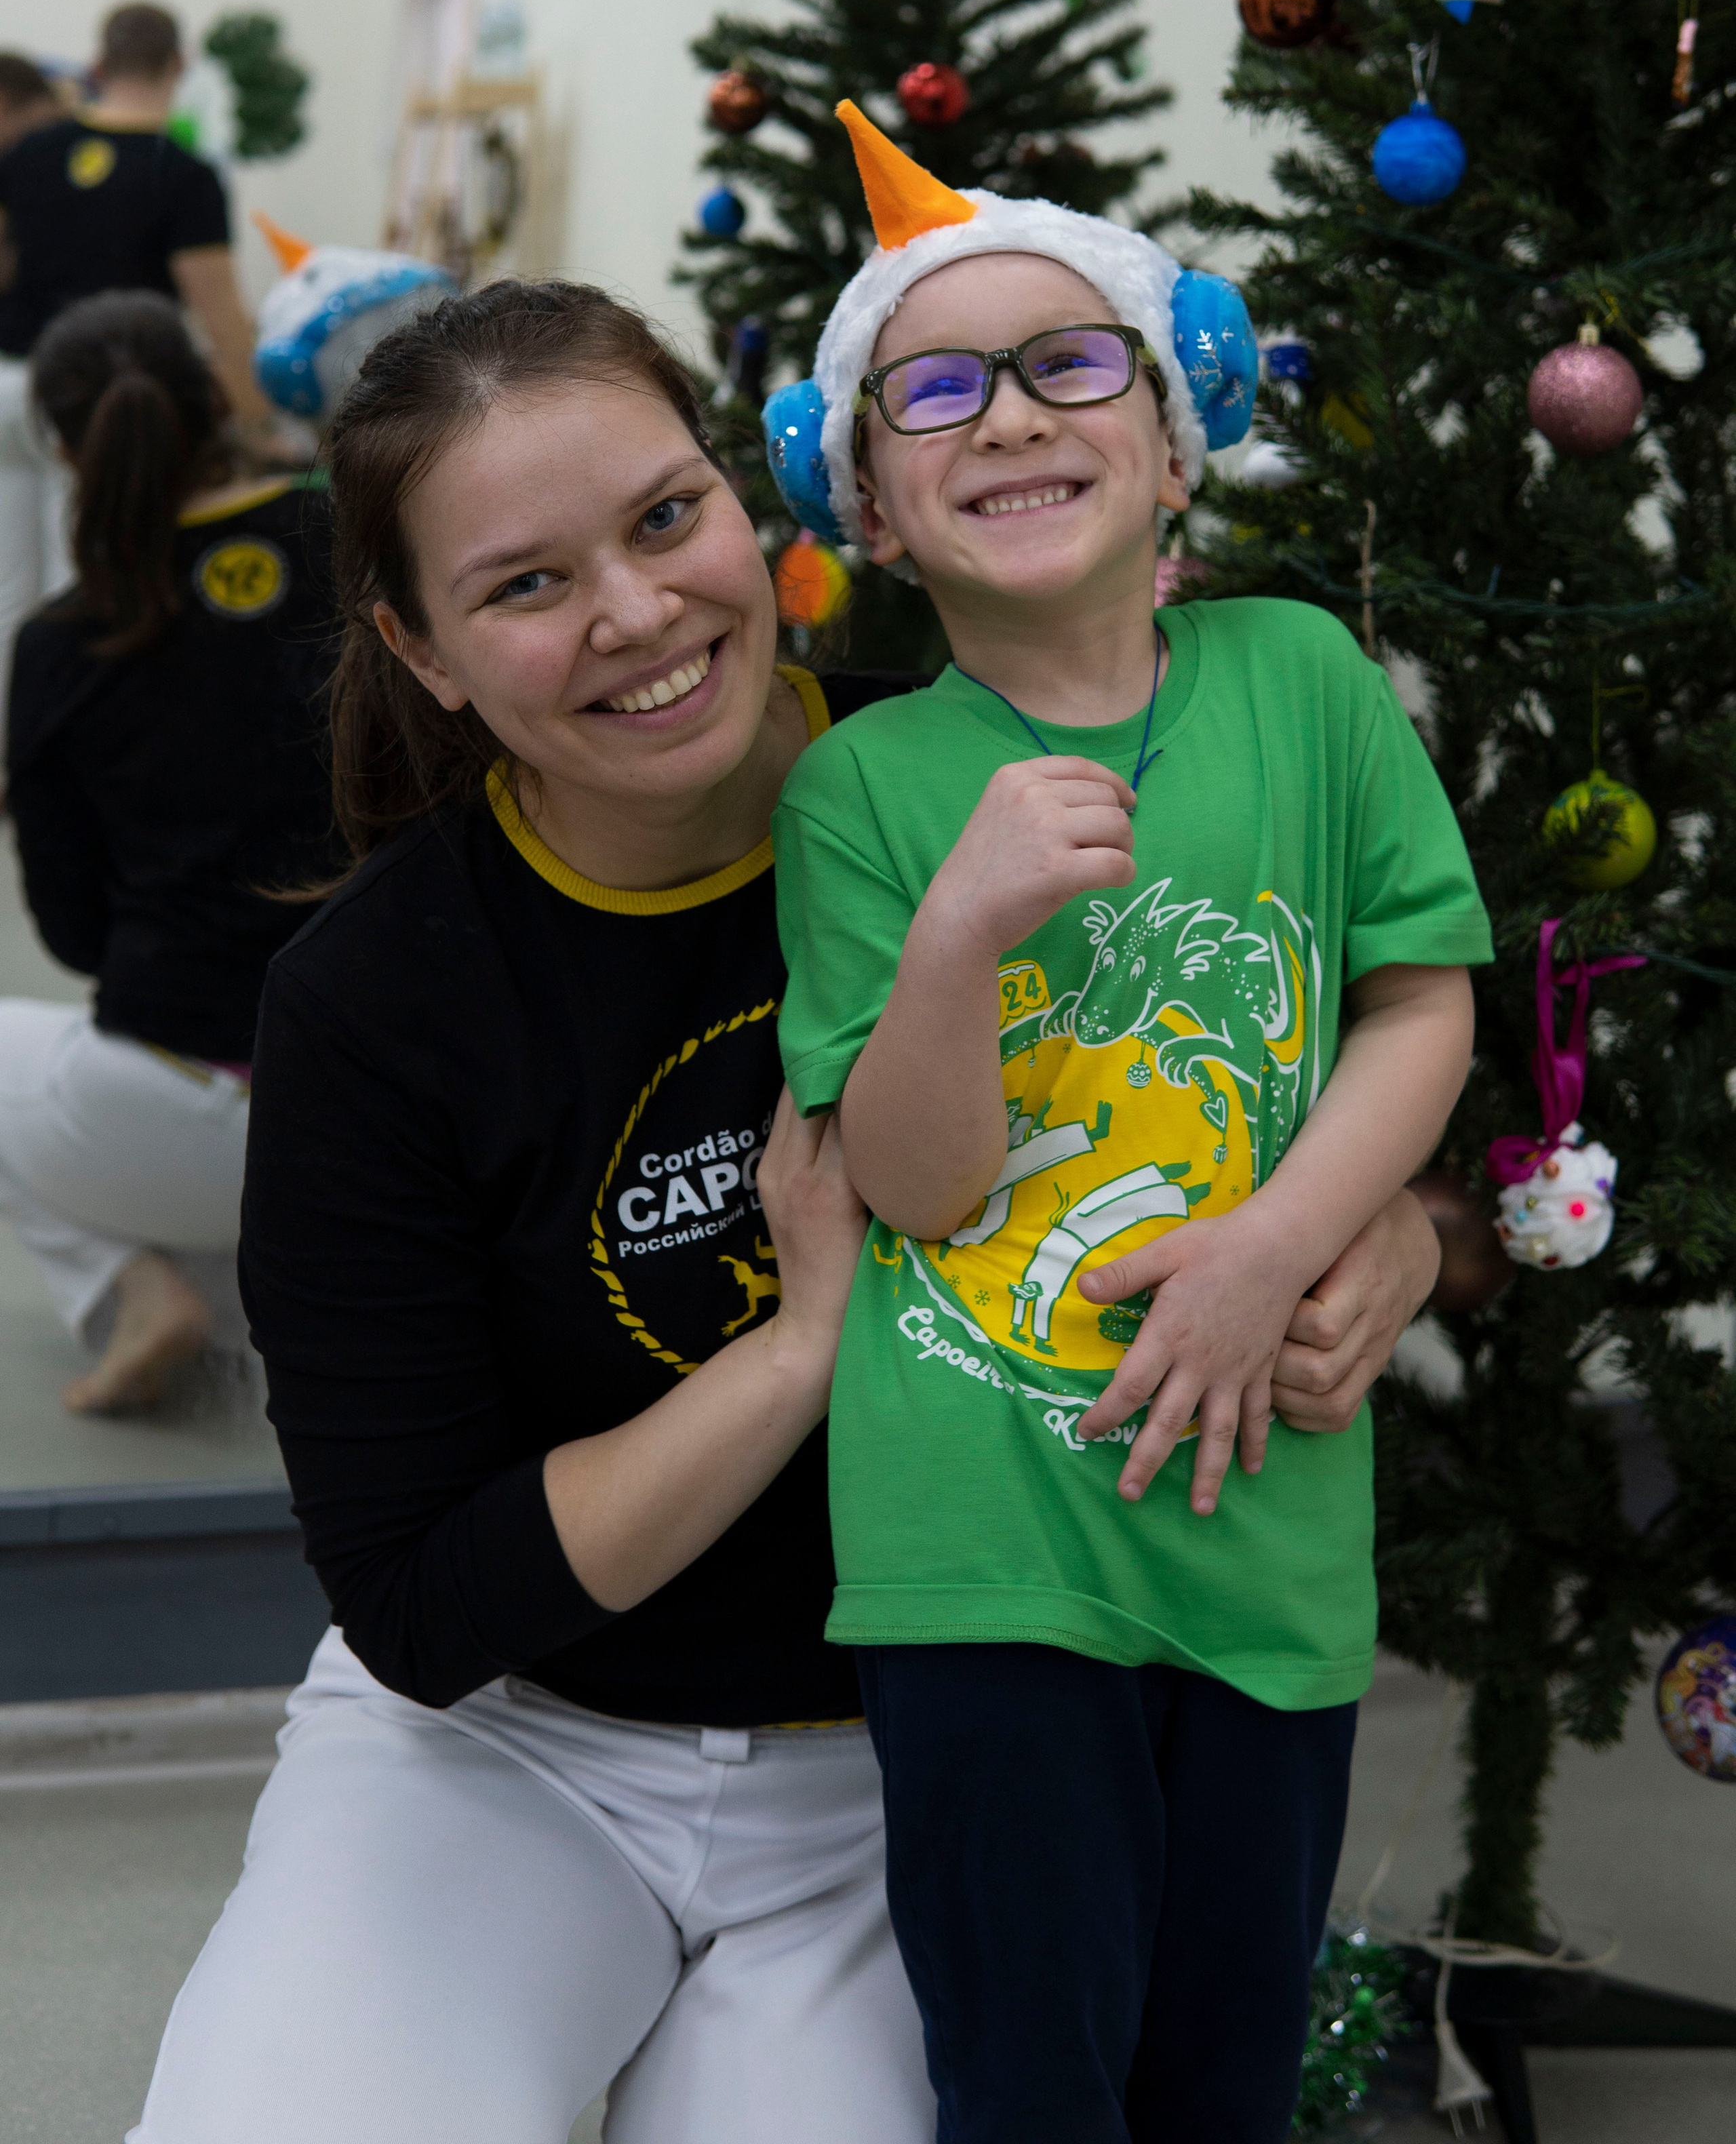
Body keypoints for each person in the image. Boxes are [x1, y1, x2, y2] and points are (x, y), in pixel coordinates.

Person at [130, 278, 1442, 2144]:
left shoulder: (981, 780)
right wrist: (803, 1344)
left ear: (762, 506)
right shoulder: (374, 1006)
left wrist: (1385, 1236)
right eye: (523, 585)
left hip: (912, 1767)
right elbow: (423, 1601)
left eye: (669, 518)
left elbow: (1334, 1015)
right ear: (420, 649)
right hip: (511, 1751)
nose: (639, 615)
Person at [769, 105, 1494, 2144]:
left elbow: (1416, 1004)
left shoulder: (1305, 681)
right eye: (932, 387)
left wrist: (1279, 1246)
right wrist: (957, 934)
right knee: (1026, 2082)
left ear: (1174, 436)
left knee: (1223, 2076)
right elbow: (912, 1179)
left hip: (1262, 1524)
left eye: (1067, 361)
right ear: (874, 508)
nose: (1005, 413)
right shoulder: (863, 788)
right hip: (982, 1552)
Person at [1, 292, 336, 1412]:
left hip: (171, 1095)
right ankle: (242, 1305)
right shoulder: (351, 539)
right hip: (393, 1108)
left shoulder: (60, 642)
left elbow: (74, 934)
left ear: (59, 448)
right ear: (215, 399)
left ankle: (132, 1289)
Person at [0, 0, 273, 433]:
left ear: (99, 66)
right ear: (179, 64)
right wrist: (260, 426)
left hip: (13, 384)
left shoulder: (28, 152)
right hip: (110, 401)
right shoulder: (186, 175)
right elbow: (219, 314)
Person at [0, 51, 75, 750]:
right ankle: (59, 737)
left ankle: (11, 750)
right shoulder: (53, 165)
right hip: (62, 377)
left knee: (8, 580)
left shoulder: (14, 171)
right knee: (71, 561)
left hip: (5, 375)